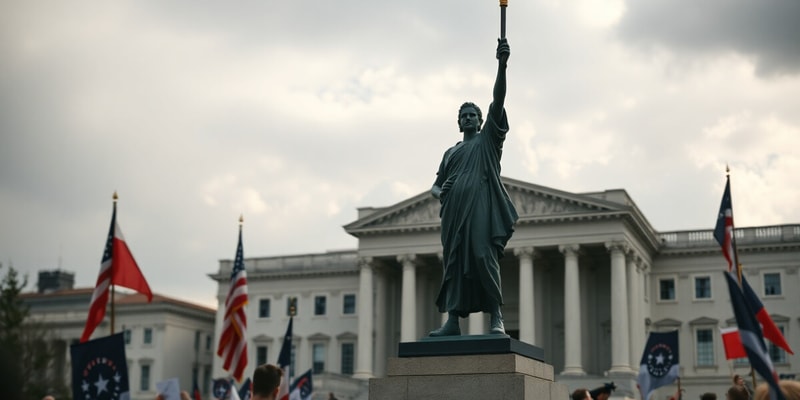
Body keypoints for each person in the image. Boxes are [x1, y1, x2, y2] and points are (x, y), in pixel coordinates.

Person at [428, 37, 518, 336]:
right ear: (459, 122)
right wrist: (443, 192)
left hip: (480, 205)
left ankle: (496, 317)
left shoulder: (487, 142)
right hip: (452, 213)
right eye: (463, 115)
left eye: (473, 115)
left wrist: (502, 66)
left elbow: (499, 100)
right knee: (453, 264)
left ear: (481, 122)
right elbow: (435, 187)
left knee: (483, 256)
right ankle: (453, 321)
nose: (468, 118)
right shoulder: (450, 152)